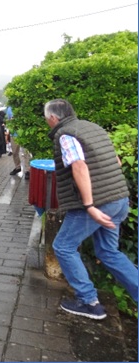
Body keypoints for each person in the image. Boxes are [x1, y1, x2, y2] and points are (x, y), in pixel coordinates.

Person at [44, 98, 138, 319]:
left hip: (97, 204)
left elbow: (79, 166)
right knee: (108, 251)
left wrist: (89, 205)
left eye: (47, 119)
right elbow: (115, 160)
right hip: (118, 198)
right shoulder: (92, 127)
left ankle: (89, 302)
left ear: (53, 118)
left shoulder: (65, 134)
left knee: (64, 247)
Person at [6, 105, 30, 178]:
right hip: (14, 134)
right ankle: (17, 167)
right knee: (14, 152)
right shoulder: (9, 108)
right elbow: (9, 120)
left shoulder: (23, 106)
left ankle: (27, 170)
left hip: (23, 133)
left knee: (26, 152)